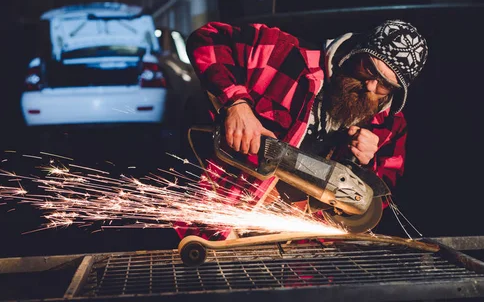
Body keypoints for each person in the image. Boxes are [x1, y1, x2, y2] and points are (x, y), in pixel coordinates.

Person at [175, 19, 428, 240]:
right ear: (355, 52)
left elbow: (376, 203)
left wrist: (366, 168)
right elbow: (206, 39)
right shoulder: (283, 54)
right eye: (370, 70)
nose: (371, 86)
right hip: (223, 224)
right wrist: (235, 103)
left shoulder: (390, 126)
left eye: (384, 85)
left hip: (305, 247)